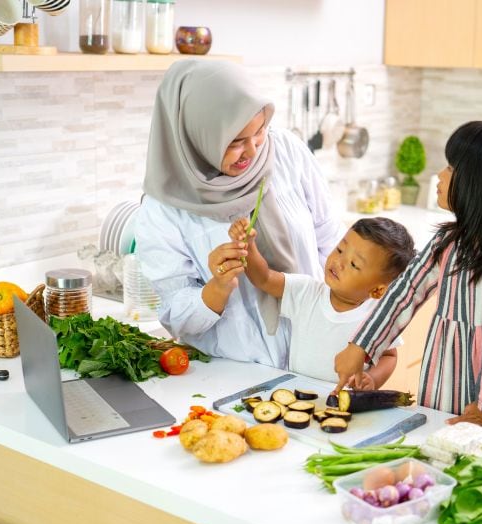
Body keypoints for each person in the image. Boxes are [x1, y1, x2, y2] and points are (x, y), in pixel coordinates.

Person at [333, 121, 482, 435]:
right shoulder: (448, 242)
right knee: (443, 446)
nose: (439, 174)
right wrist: (361, 346)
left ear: (481, 183)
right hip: (449, 367)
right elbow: (404, 293)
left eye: (450, 167)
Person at [134, 60, 344, 369]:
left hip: (320, 355)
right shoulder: (162, 211)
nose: (253, 150)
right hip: (239, 375)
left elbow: (330, 242)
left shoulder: (286, 151)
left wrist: (348, 323)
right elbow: (176, 317)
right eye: (234, 141)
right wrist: (216, 289)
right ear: (196, 135)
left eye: (260, 131)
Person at [228, 216, 416, 388]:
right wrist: (249, 245)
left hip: (342, 405)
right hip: (295, 394)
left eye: (354, 264)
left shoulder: (378, 317)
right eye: (340, 249)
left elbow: (389, 355)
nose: (339, 262)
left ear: (377, 290)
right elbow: (264, 279)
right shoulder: (307, 292)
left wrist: (373, 379)